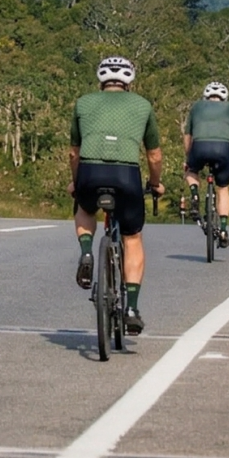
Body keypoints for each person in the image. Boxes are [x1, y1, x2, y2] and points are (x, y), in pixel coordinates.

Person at [71, 55, 165, 335]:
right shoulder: (143, 105)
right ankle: (132, 308)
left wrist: (75, 182)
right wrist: (156, 183)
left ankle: (87, 252)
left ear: (100, 80)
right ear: (130, 81)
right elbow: (154, 154)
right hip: (126, 176)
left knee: (85, 209)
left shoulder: (83, 103)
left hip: (89, 170)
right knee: (132, 236)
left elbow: (73, 152)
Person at [182, 81, 229, 247]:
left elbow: (187, 136)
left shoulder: (196, 107)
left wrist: (188, 157)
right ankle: (223, 229)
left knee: (191, 170)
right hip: (223, 149)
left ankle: (194, 194)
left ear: (206, 96)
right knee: (222, 188)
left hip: (199, 146)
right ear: (224, 98)